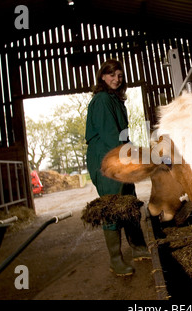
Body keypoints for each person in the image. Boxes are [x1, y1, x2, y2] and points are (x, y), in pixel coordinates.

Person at [85, 59, 150, 276]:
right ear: (102, 77)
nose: (116, 79)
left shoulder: (115, 100)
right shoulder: (103, 100)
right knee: (112, 207)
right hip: (106, 160)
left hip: (118, 156)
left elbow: (123, 135)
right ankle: (115, 260)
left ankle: (139, 248)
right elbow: (111, 136)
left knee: (129, 201)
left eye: (120, 76)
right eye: (112, 75)